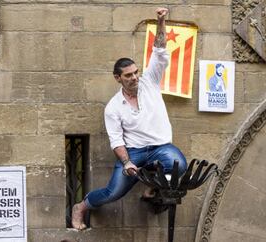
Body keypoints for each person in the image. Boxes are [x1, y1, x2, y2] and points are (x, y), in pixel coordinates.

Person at [71, 7, 187, 230]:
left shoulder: (150, 81)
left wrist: (161, 21)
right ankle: (81, 207)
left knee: (179, 165)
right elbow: (116, 140)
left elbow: (160, 49)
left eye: (135, 72)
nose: (134, 77)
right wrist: (127, 163)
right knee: (112, 193)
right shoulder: (113, 107)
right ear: (118, 78)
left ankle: (151, 188)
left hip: (160, 147)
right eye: (128, 75)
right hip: (133, 152)